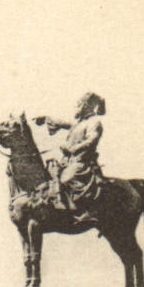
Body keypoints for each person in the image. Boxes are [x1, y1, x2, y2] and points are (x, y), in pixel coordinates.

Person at [34, 92, 106, 224]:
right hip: (68, 161)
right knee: (50, 175)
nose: (75, 108)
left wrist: (73, 149)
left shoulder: (94, 122)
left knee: (67, 180)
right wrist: (46, 119)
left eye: (77, 106)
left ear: (85, 106)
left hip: (82, 162)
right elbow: (63, 123)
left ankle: (86, 212)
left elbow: (91, 140)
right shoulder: (79, 123)